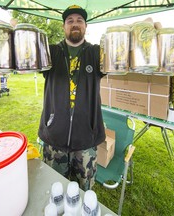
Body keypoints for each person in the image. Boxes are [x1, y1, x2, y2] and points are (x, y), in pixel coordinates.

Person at [38, 5, 106, 191]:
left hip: (86, 140)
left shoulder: (97, 53)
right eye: (70, 21)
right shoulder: (50, 52)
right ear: (63, 27)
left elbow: (125, 57)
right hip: (54, 138)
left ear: (85, 26)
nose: (75, 24)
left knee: (84, 194)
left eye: (79, 21)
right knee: (53, 190)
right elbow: (23, 58)